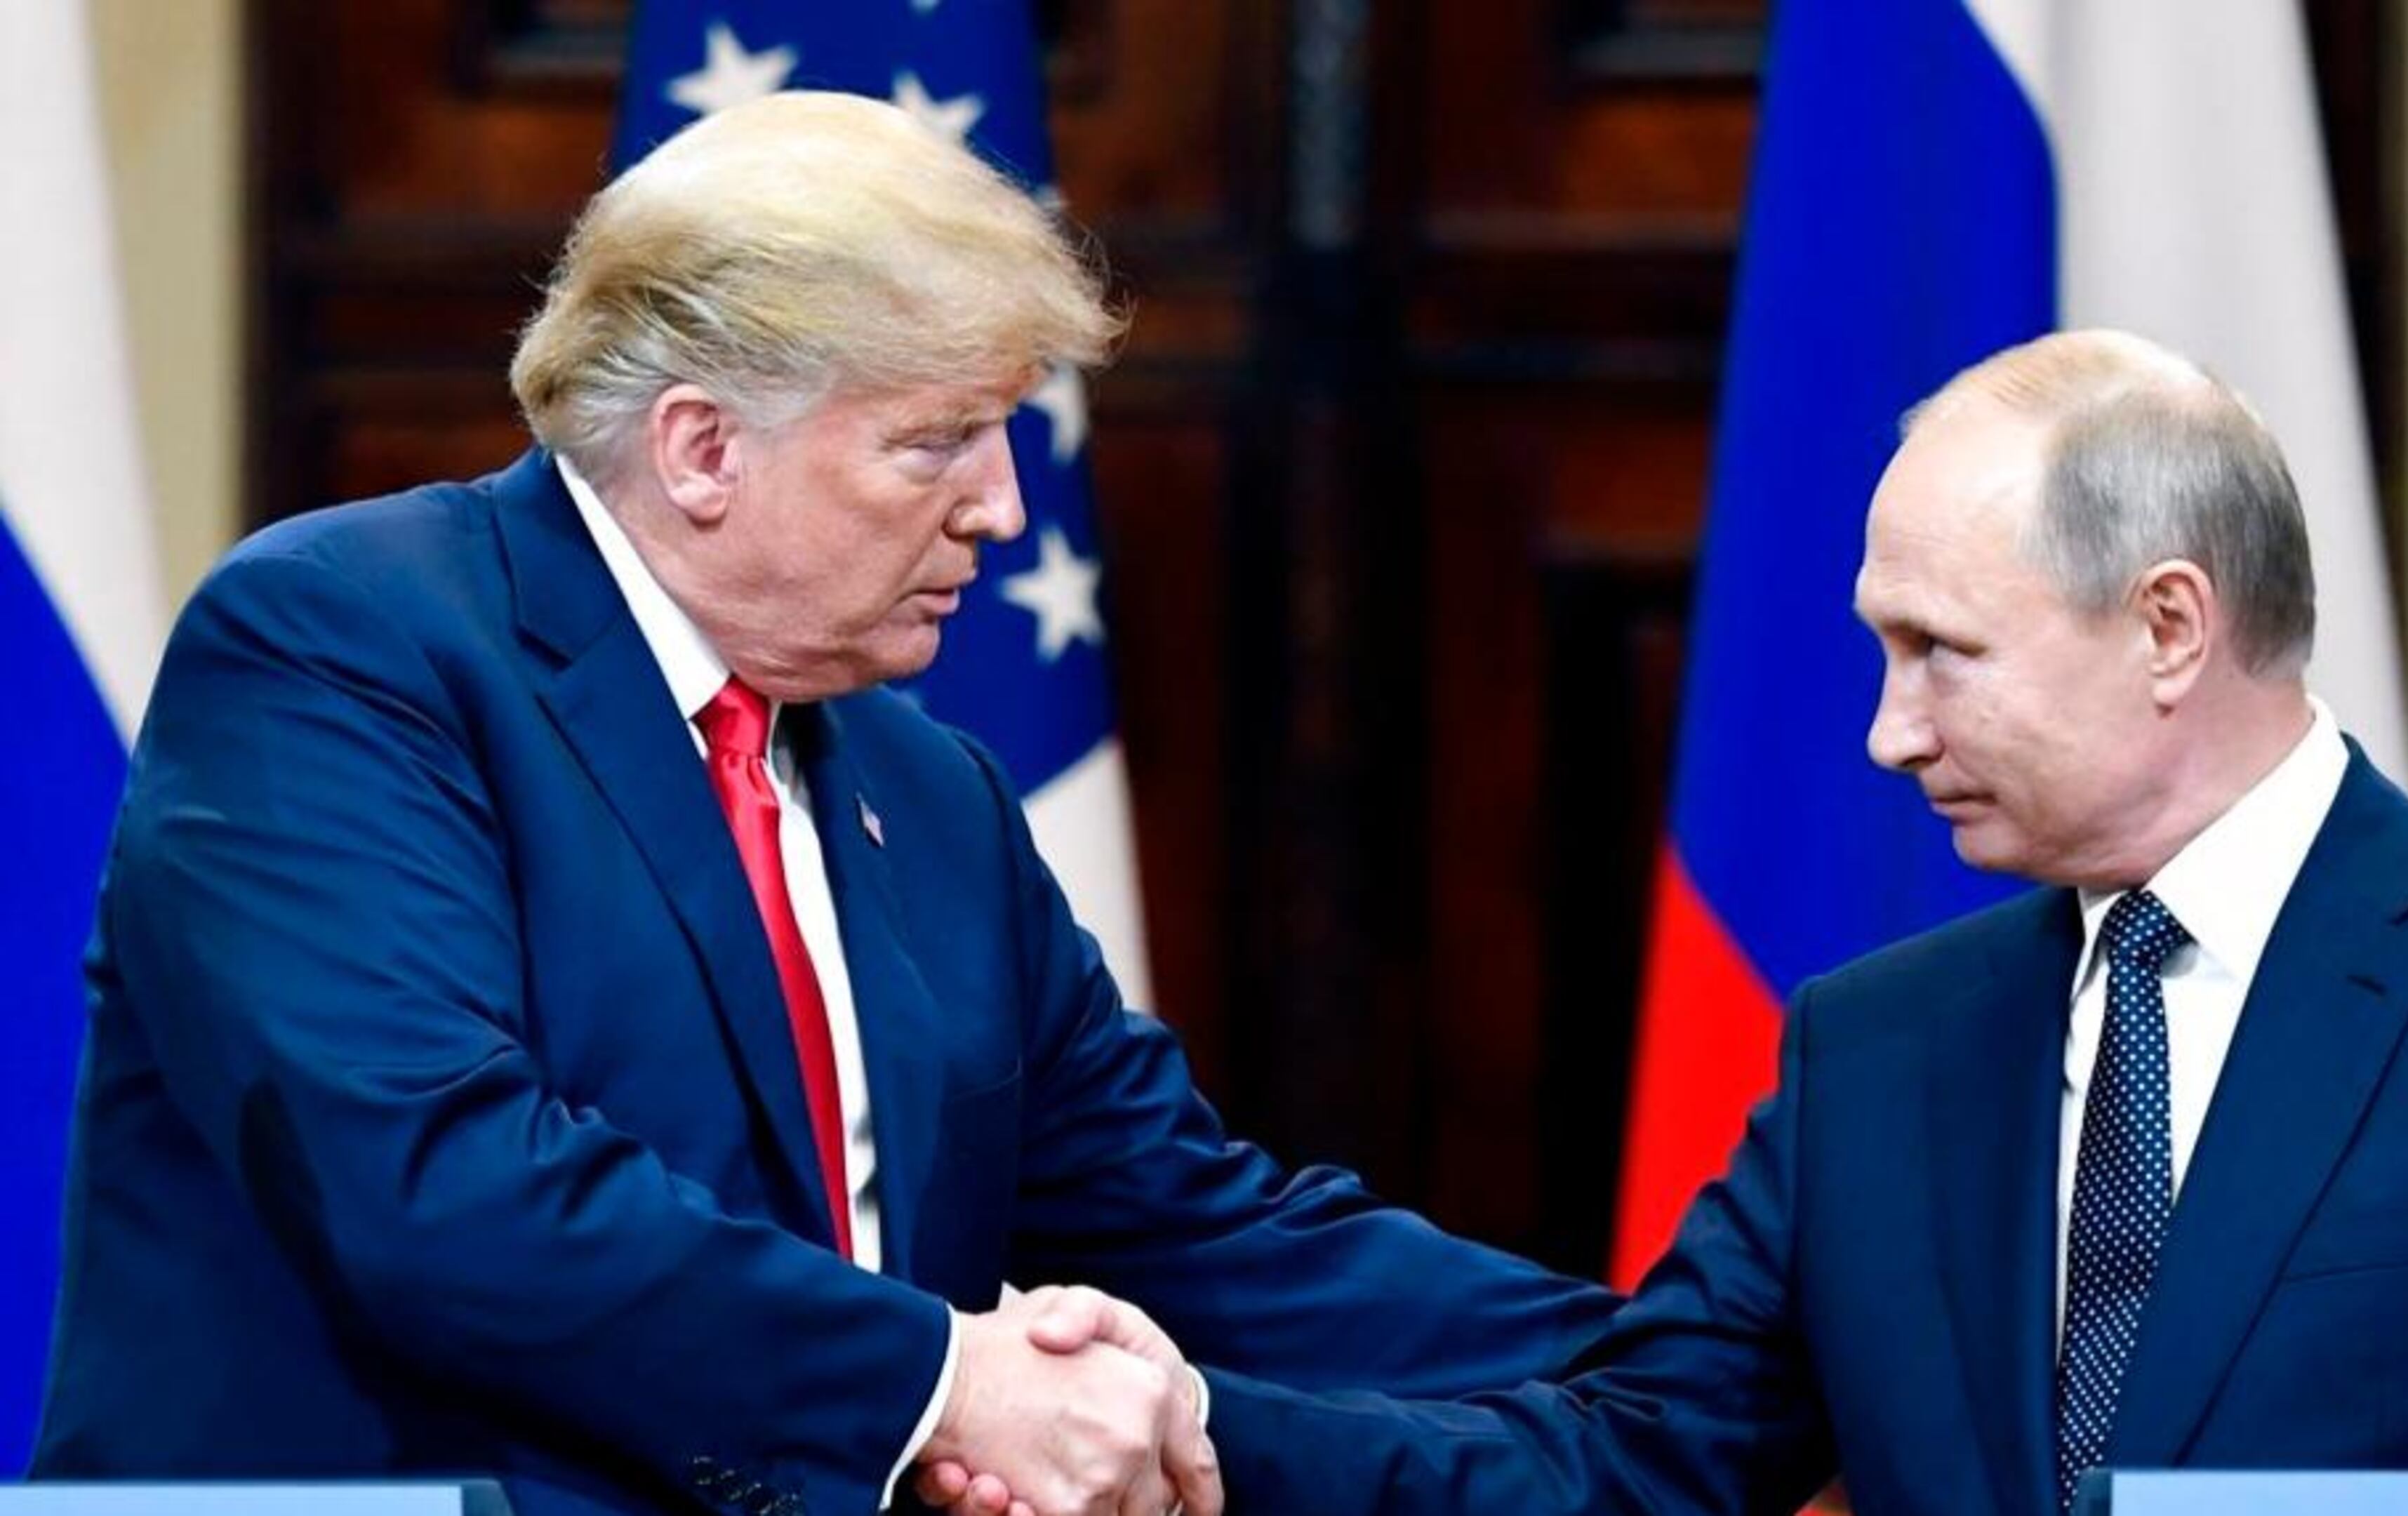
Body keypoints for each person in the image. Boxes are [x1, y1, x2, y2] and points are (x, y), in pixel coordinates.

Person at [29, 92, 1616, 1516]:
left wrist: (1685, 1363)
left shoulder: (931, 796)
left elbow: (1198, 1228)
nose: (1003, 508)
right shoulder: (345, 646)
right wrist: (949, 1385)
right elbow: (440, 1185)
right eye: (939, 442)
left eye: (1004, 435)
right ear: (702, 448)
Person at [1012, 329, 2408, 1516]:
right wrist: (1197, 1432)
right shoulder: (1880, 1050)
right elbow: (1624, 1461)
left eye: (1941, 651)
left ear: (2170, 626)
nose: (1890, 733)